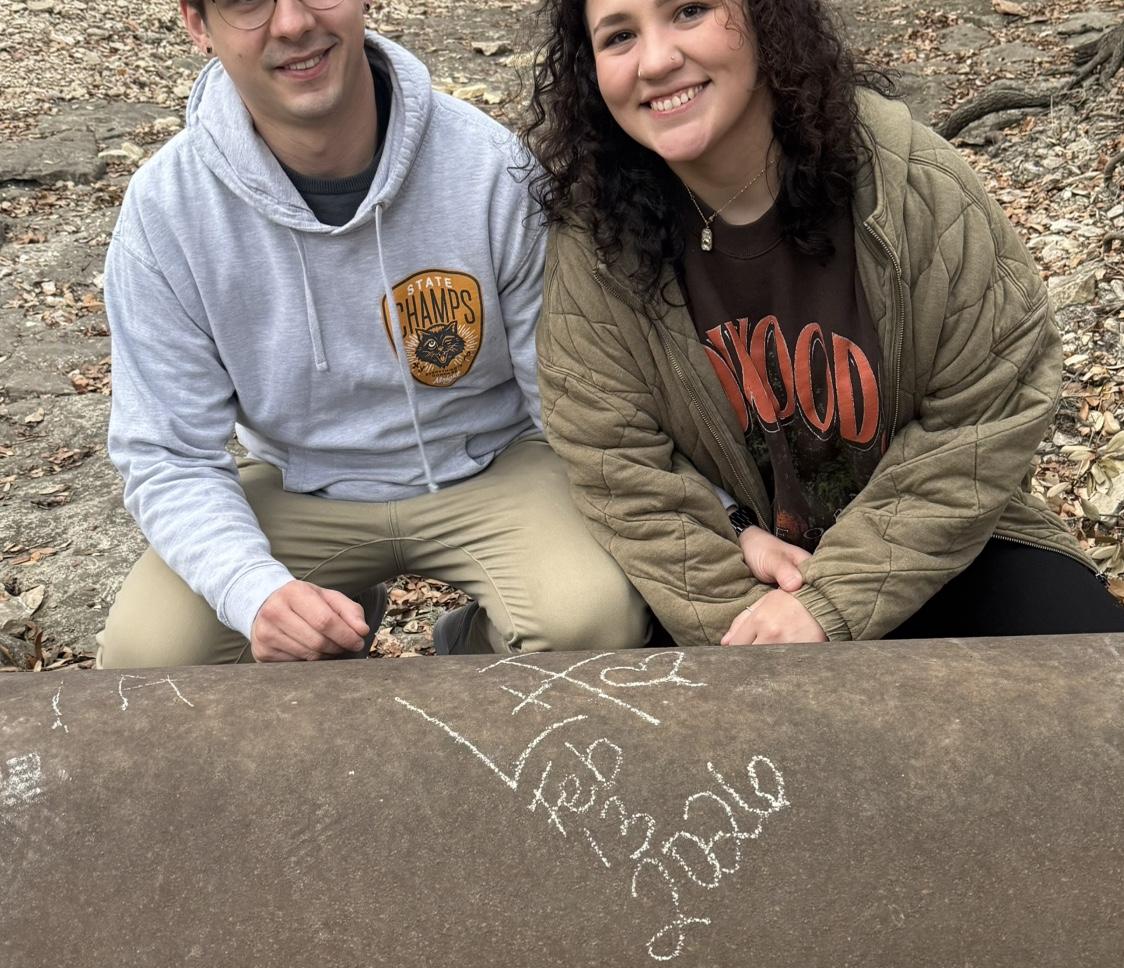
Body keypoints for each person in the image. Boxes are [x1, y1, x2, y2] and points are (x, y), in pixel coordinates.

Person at [523, 0, 1124, 645]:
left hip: (933, 546)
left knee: (1090, 667)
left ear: (766, 18)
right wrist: (745, 611)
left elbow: (986, 409)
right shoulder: (596, 242)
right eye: (619, 36)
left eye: (690, 11)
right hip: (730, 571)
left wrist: (831, 603)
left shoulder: (911, 185)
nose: (656, 60)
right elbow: (615, 463)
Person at [98, 0, 649, 667]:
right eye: (247, 2)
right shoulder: (166, 210)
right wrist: (254, 590)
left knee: (594, 619)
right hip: (294, 482)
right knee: (147, 659)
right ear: (197, 23)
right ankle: (333, 628)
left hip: (494, 461)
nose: (293, 23)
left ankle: (470, 653)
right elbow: (168, 451)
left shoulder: (490, 167)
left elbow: (569, 392)